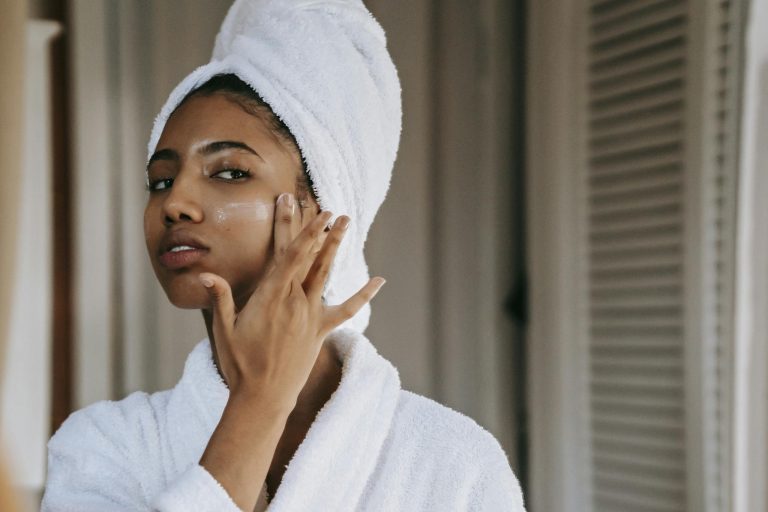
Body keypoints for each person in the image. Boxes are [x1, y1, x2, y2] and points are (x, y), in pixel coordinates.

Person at [41, 1, 525, 510]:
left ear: (322, 212)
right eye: (160, 180)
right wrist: (258, 404)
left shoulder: (453, 464)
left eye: (229, 172)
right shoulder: (105, 446)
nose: (174, 203)